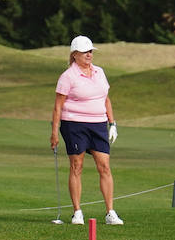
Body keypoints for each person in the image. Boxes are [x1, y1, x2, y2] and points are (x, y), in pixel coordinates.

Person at [50, 35, 123, 225]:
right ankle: (77, 212)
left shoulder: (99, 72)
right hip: (74, 125)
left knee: (104, 166)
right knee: (77, 166)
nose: (89, 55)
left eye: (90, 51)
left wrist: (112, 123)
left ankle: (110, 212)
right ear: (74, 55)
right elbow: (58, 106)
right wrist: (54, 132)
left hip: (98, 124)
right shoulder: (67, 77)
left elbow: (106, 99)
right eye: (85, 52)